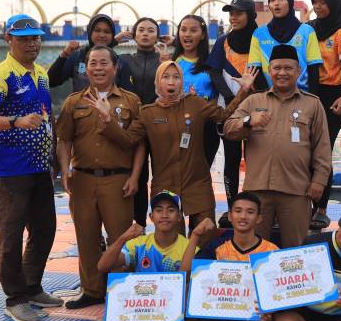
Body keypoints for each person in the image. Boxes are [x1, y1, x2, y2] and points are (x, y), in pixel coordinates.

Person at [55, 191, 211, 321]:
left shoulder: (190, 247)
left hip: (170, 313)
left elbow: (187, 275)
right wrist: (123, 238)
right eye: (159, 210)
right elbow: (103, 266)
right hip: (139, 309)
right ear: (151, 217)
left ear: (179, 217)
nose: (164, 215)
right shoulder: (138, 244)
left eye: (171, 210)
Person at [0, 14, 62, 321]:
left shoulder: (41, 74)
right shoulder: (1, 76)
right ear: (8, 40)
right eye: (24, 38)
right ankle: (15, 297)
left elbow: (46, 116)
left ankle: (32, 286)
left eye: (36, 38)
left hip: (40, 167)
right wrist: (15, 122)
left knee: (45, 228)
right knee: (11, 235)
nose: (32, 43)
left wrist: (55, 156)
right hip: (12, 169)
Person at [153, 191, 288, 321]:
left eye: (250, 212)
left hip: (251, 320)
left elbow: (278, 292)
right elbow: (187, 272)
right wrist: (195, 235)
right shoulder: (217, 247)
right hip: (218, 316)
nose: (243, 216)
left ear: (259, 218)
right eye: (238, 211)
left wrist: (269, 313)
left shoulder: (272, 251)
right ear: (230, 216)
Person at [98, 61, 256, 235]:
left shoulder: (195, 103)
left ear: (182, 81)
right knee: (171, 242)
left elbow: (223, 115)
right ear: (158, 82)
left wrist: (243, 91)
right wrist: (108, 121)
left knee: (205, 237)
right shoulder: (148, 113)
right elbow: (128, 140)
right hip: (165, 187)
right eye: (166, 77)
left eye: (176, 77)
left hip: (198, 185)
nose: (171, 81)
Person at [55, 45, 145, 309]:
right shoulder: (74, 102)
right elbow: (64, 140)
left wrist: (135, 177)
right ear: (86, 69)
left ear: (115, 68)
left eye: (104, 63)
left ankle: (122, 291)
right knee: (86, 238)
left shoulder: (131, 101)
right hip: (82, 180)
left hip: (118, 180)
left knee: (121, 238)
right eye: (92, 63)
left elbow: (140, 143)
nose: (98, 68)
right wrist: (65, 169)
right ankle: (92, 290)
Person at [224, 44, 332, 248]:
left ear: (298, 71)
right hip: (257, 191)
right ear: (269, 70)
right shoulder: (253, 101)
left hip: (296, 190)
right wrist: (248, 121)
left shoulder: (313, 104)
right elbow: (228, 129)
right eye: (277, 68)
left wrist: (319, 181)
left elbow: (322, 147)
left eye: (288, 68)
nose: (282, 73)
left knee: (296, 249)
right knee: (254, 249)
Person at [307, 0, 341, 230]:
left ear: (334, 4)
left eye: (323, 2)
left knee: (322, 153)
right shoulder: (308, 29)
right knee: (304, 152)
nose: (318, 6)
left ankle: (322, 209)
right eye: (315, 2)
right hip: (310, 94)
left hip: (333, 98)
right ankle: (306, 204)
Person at [207, 0, 259, 227]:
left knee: (256, 160)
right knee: (231, 159)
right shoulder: (223, 41)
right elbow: (214, 72)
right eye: (231, 13)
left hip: (257, 108)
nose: (233, 18)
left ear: (250, 15)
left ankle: (255, 209)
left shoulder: (261, 40)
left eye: (238, 13)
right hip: (229, 110)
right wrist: (230, 98)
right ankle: (231, 209)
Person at [118, 17, 168, 227]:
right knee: (136, 177)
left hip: (159, 124)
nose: (146, 34)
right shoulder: (124, 60)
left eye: (151, 30)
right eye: (141, 30)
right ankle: (137, 225)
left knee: (163, 175)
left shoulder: (165, 60)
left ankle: (164, 225)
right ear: (134, 35)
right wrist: (115, 39)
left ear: (158, 36)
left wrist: (166, 59)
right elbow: (97, 53)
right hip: (133, 125)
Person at [248, 0, 322, 93]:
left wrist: (311, 98)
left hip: (301, 96)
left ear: (290, 2)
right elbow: (256, 69)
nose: (276, 3)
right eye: (272, 0)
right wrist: (268, 96)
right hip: (269, 97)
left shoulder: (307, 31)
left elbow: (313, 68)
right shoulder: (259, 34)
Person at [172, 15, 221, 167]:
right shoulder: (172, 63)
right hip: (176, 126)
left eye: (193, 30)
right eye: (183, 30)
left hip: (206, 128)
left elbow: (218, 96)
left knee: (202, 172)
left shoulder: (212, 63)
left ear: (203, 34)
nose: (187, 34)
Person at [47, 14, 133, 92]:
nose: (102, 35)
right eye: (97, 30)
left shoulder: (120, 63)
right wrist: (64, 55)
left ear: (112, 35)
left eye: (107, 32)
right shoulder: (77, 57)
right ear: (90, 32)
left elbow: (127, 96)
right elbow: (51, 82)